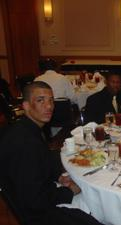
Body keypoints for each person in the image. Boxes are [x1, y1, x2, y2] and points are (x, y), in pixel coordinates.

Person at [0, 81, 102, 225]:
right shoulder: (25, 144)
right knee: (97, 207)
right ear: (26, 106)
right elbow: (34, 200)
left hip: (42, 196)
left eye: (51, 101)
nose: (49, 106)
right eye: (40, 100)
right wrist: (70, 190)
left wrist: (58, 176)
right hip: (42, 215)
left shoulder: (27, 129)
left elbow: (41, 163)